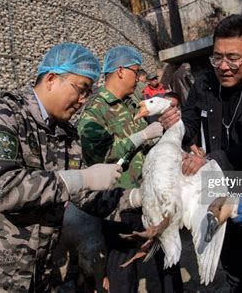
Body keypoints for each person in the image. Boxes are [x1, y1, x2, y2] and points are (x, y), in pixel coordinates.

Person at [0, 43, 122, 292]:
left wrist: (136, 199)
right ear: (51, 79)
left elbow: (81, 194)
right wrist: (81, 178)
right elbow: (4, 188)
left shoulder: (66, 134)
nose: (83, 100)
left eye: (89, 93)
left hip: (29, 276)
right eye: (81, 89)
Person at [77, 45, 183, 293]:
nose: (138, 79)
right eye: (135, 72)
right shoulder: (96, 109)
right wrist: (142, 136)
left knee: (168, 256)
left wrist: (162, 132)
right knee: (123, 266)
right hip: (120, 201)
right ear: (121, 71)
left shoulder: (133, 103)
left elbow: (148, 145)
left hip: (150, 195)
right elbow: (97, 154)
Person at [180, 14, 242, 292]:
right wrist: (182, 141)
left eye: (233, 58)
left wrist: (212, 160)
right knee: (230, 267)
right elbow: (188, 121)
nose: (224, 67)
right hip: (216, 194)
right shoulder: (204, 85)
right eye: (217, 58)